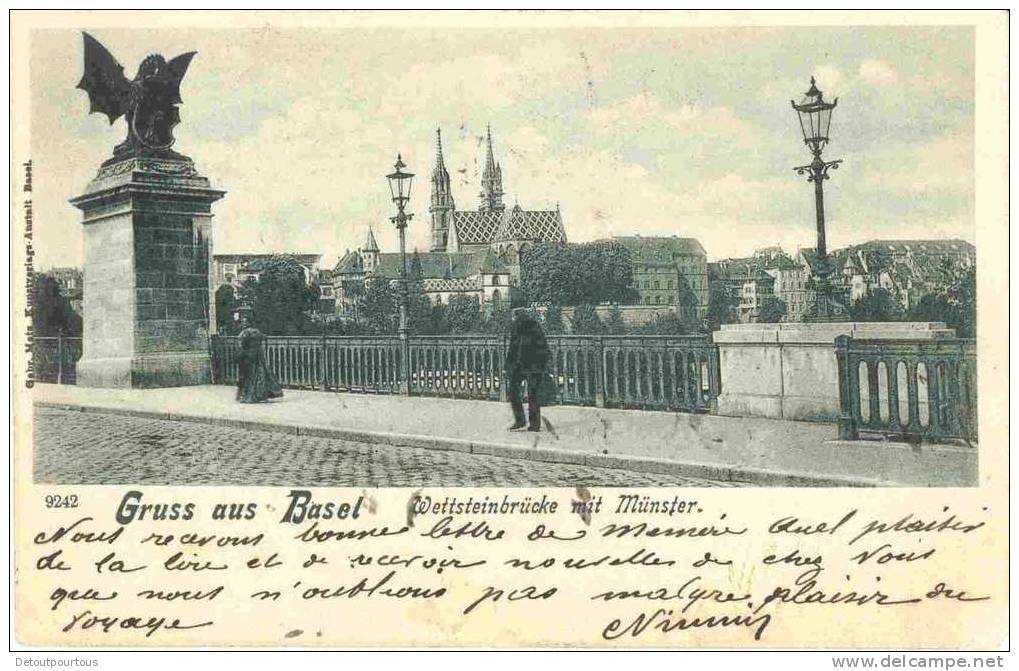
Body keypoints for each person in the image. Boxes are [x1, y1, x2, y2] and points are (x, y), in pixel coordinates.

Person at [505, 307, 549, 432]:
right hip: (534, 365)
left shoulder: (517, 327)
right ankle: (534, 425)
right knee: (533, 395)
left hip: (522, 365)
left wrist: (508, 366)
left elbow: (513, 348)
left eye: (513, 317)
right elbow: (543, 346)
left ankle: (520, 420)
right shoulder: (535, 325)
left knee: (514, 392)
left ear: (516, 316)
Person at [235, 314, 283, 404]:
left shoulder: (244, 333)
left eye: (245, 322)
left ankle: (249, 396)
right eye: (243, 322)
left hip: (248, 357)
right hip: (258, 356)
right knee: (260, 375)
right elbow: (264, 337)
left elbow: (241, 345)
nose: (244, 324)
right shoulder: (256, 331)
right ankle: (260, 394)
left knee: (248, 377)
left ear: (248, 323)